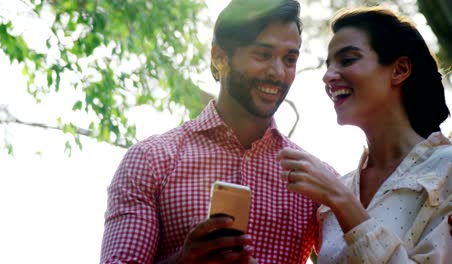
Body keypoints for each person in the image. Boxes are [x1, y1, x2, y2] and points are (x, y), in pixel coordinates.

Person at [100, 0, 335, 263]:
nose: (278, 72)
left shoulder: (315, 180)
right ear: (220, 56)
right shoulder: (150, 160)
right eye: (262, 55)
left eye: (289, 59)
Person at [278, 7, 452, 263]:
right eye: (328, 66)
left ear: (400, 69)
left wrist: (343, 202)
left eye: (347, 60)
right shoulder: (336, 193)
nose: (328, 76)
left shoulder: (446, 169)